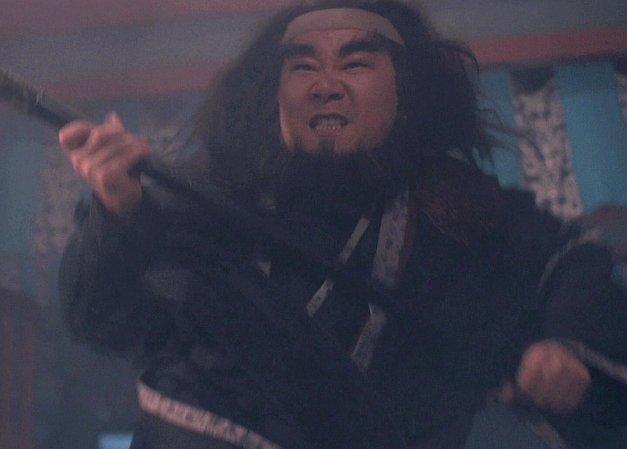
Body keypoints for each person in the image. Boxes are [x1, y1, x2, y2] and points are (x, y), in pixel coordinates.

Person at [57, 1, 627, 448]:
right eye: (303, 66)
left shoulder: (458, 211)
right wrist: (116, 211)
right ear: (275, 94)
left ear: (403, 92)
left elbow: (570, 263)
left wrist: (565, 349)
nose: (325, 84)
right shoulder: (200, 195)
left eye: (355, 64)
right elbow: (97, 320)